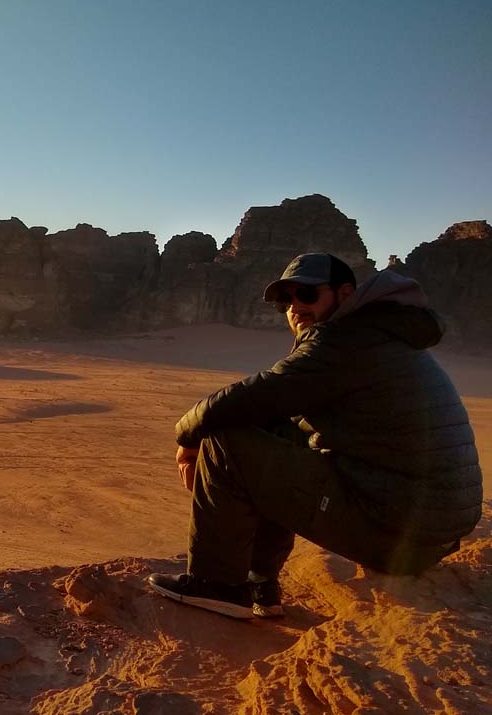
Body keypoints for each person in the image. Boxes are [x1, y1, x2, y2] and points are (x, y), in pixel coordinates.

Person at [147, 252, 483, 619]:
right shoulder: (380, 333)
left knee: (225, 441)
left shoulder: (346, 341)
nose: (295, 307)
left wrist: (186, 439)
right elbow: (275, 411)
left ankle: (219, 585)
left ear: (344, 294)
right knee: (275, 432)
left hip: (397, 532)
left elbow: (259, 394)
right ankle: (259, 581)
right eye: (285, 300)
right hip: (426, 530)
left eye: (306, 294)